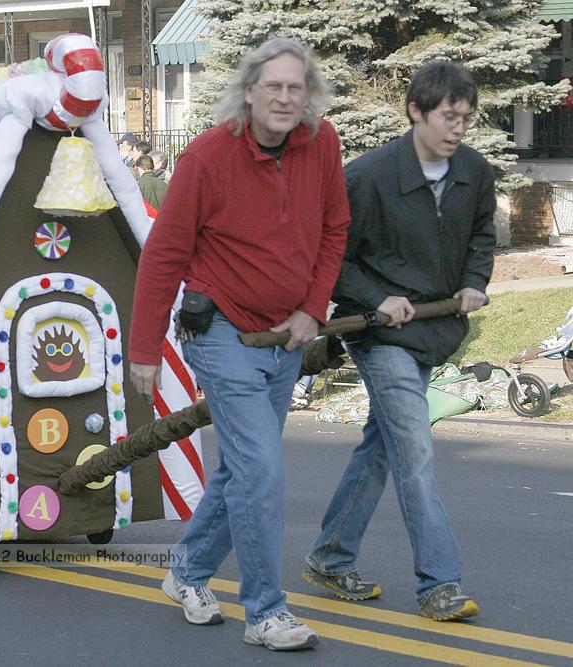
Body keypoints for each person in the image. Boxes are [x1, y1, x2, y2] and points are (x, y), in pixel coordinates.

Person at [129, 38, 349, 652]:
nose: (284, 97)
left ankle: (188, 572)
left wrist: (313, 307)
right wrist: (144, 347)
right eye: (272, 86)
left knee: (239, 471)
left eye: (295, 87)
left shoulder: (322, 144)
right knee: (262, 470)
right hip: (221, 328)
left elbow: (335, 226)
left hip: (284, 332)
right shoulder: (206, 158)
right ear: (248, 92)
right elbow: (164, 255)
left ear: (308, 96)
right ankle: (265, 613)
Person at [302, 62, 494, 622]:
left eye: (465, 118)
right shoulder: (368, 175)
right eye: (446, 117)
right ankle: (439, 582)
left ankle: (330, 557)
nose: (457, 128)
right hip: (379, 334)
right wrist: (376, 297)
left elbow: (482, 234)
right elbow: (327, 255)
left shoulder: (474, 171)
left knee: (381, 448)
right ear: (415, 111)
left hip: (434, 330)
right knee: (413, 452)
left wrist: (474, 282)